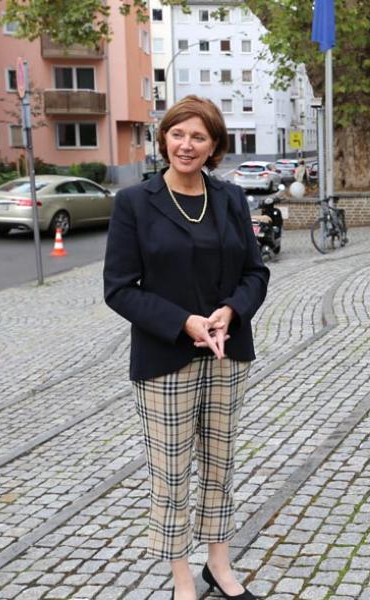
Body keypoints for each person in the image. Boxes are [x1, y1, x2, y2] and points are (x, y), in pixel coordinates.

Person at [104, 95, 269, 600]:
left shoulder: (230, 200)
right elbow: (119, 288)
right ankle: (181, 577)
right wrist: (184, 322)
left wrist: (231, 311)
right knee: (172, 474)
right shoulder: (136, 202)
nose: (186, 145)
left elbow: (255, 272)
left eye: (199, 136)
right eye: (178, 134)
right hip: (166, 357)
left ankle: (219, 565)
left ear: (215, 145)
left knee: (220, 465)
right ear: (164, 138)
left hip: (226, 353)